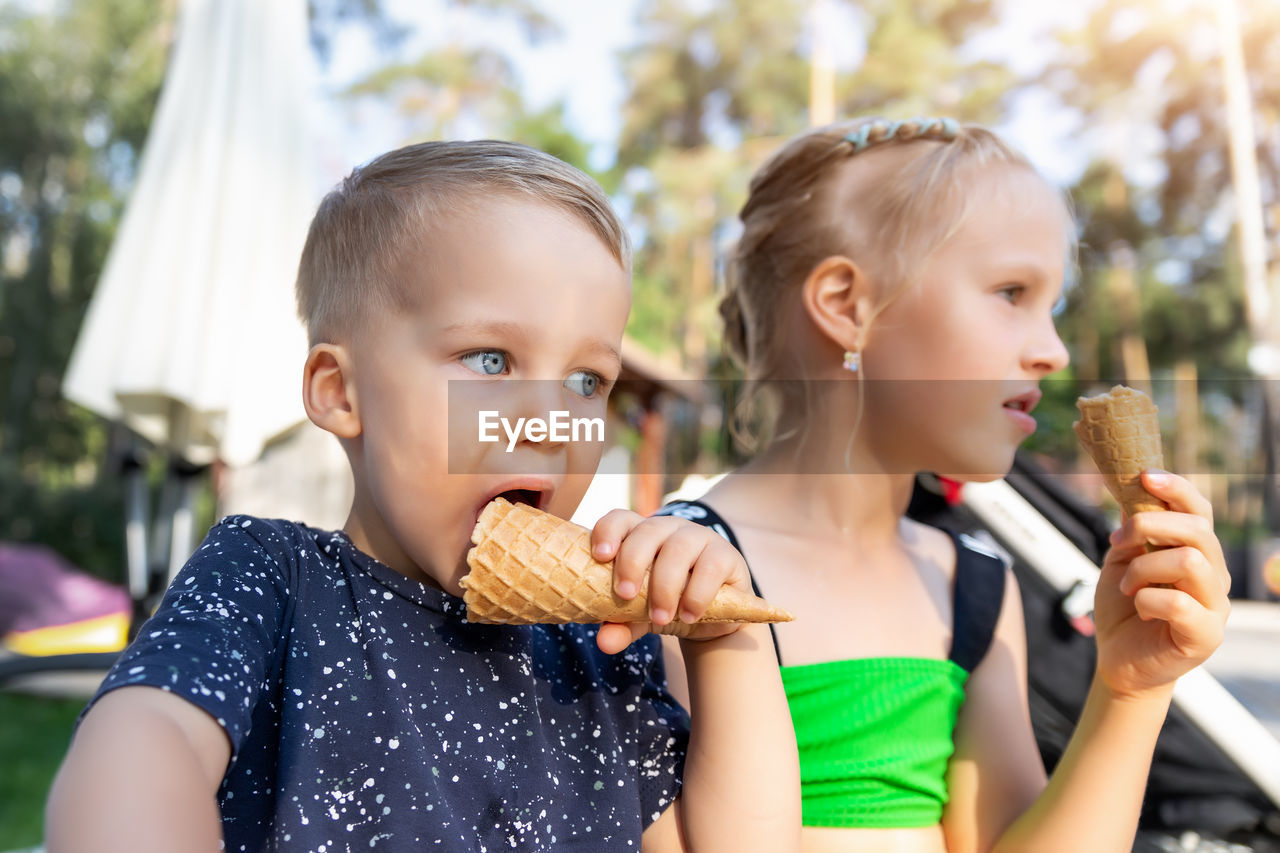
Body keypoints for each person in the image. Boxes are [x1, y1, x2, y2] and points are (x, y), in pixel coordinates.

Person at [46, 140, 800, 853]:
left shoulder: (595, 656)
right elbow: (146, 740)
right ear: (341, 392)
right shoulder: (271, 579)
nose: (550, 419)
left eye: (585, 381)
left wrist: (726, 641)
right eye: (491, 358)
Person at [657, 117, 1231, 853]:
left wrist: (1132, 688)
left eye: (1050, 306)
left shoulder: (974, 587)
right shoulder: (678, 574)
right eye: (1011, 291)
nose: (1052, 351)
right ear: (847, 305)